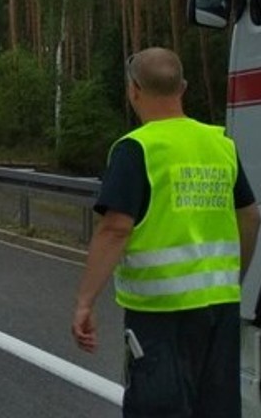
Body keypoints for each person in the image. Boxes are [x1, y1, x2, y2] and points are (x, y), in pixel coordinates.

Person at [71, 47, 260, 417]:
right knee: (216, 407)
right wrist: (232, 279)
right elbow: (250, 216)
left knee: (158, 407)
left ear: (134, 90)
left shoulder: (136, 149)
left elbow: (115, 229)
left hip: (160, 312)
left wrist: (84, 302)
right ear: (183, 88)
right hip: (219, 308)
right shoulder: (220, 143)